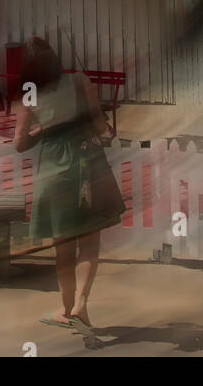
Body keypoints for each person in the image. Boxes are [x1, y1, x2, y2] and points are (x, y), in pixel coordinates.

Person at [13, 36, 125, 329]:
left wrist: (45, 130)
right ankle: (81, 305)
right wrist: (106, 132)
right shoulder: (79, 82)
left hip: (52, 167)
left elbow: (20, 144)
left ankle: (65, 309)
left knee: (63, 246)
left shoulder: (29, 95)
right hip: (86, 162)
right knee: (89, 241)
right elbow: (101, 126)